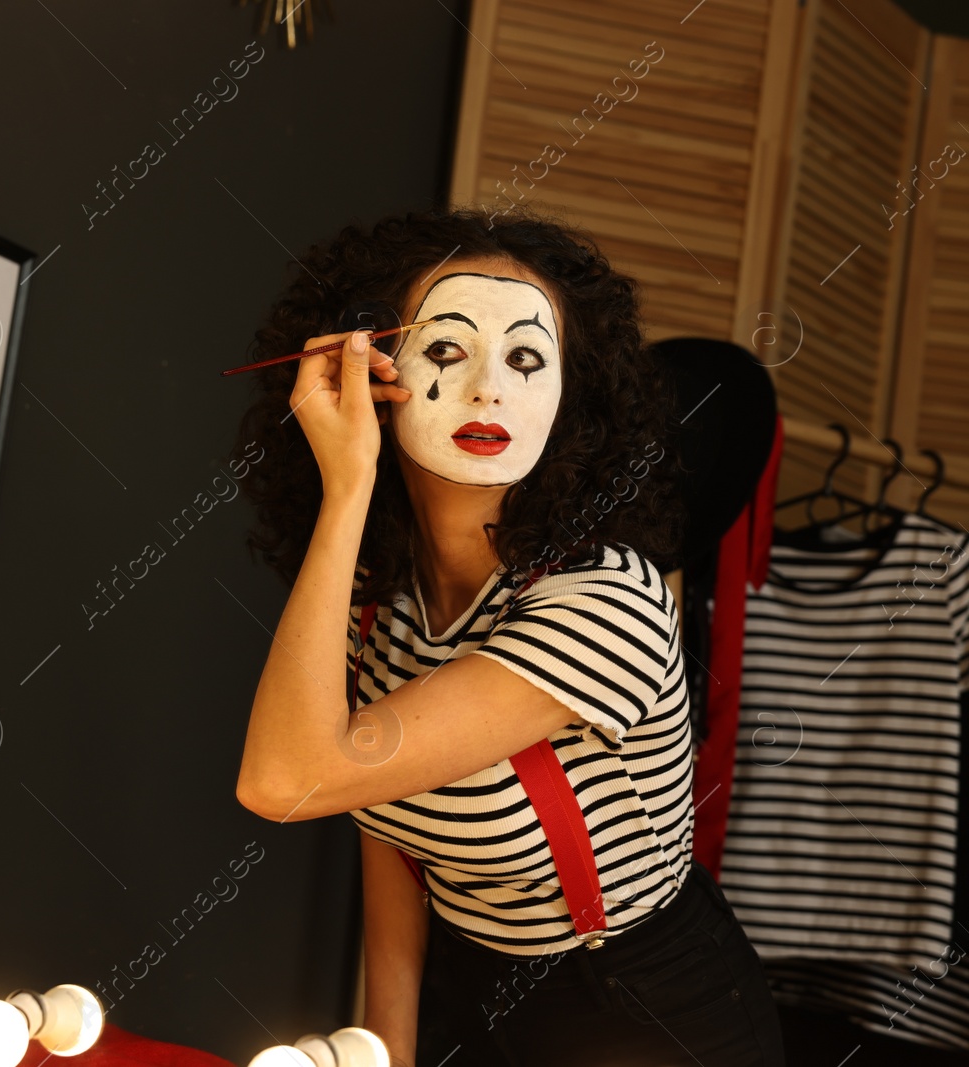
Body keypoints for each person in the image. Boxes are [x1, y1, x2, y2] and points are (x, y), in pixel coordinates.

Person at [232, 208, 784, 1066]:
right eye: (447, 350)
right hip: (470, 988)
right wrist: (391, 1046)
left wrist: (348, 488)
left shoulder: (606, 602)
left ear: (571, 397)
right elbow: (387, 828)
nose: (490, 387)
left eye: (527, 358)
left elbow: (284, 779)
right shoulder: (380, 598)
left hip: (643, 1007)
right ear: (373, 372)